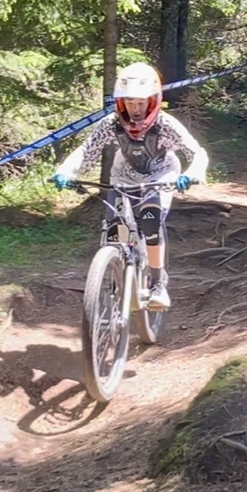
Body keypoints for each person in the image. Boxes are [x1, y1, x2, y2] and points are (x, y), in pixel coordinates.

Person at [51, 62, 209, 310]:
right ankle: (117, 273)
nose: (136, 109)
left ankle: (158, 285)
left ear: (153, 101)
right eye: (130, 102)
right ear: (121, 102)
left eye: (141, 102)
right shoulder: (110, 123)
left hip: (160, 176)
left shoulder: (165, 124)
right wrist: (66, 170)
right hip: (123, 177)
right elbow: (87, 151)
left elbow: (196, 152)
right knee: (116, 228)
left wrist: (192, 173)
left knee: (150, 221)